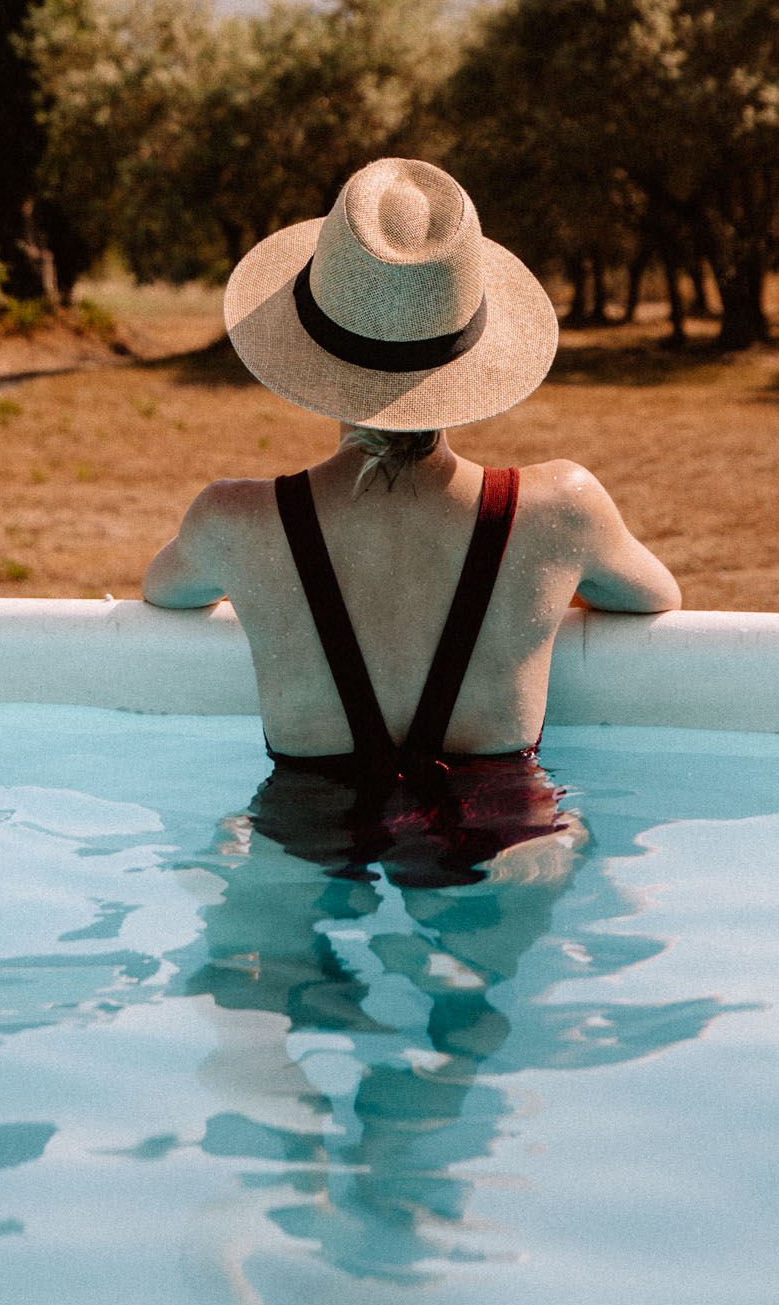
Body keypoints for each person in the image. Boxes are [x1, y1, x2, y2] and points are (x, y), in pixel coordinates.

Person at [144, 157, 678, 830]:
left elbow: (166, 591)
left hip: (306, 826)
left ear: (308, 347)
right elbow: (654, 597)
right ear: (471, 353)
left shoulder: (233, 522)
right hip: (502, 829)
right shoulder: (562, 510)